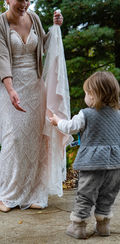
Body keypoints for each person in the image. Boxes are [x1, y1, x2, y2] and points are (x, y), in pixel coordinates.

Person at [0, 0, 63, 212]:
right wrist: (10, 89)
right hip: (7, 84)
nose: (24, 4)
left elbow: (42, 45)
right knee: (13, 137)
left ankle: (35, 192)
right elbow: (1, 59)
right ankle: (7, 195)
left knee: (35, 139)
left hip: (34, 84)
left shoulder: (34, 18)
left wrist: (55, 28)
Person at [50, 71, 120, 239]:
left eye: (87, 93)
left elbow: (70, 127)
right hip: (115, 163)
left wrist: (57, 121)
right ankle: (103, 226)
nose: (85, 97)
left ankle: (78, 226)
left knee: (86, 194)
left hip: (92, 163)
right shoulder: (118, 115)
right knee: (108, 194)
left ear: (95, 95)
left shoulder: (85, 114)